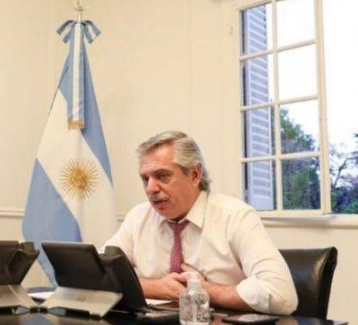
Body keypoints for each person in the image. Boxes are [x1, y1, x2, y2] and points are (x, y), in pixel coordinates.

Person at [104, 131, 297, 315]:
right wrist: (156, 288)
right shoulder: (139, 217)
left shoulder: (235, 216)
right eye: (145, 178)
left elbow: (281, 295)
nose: (150, 188)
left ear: (195, 174)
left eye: (162, 175)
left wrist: (202, 290)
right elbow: (97, 275)